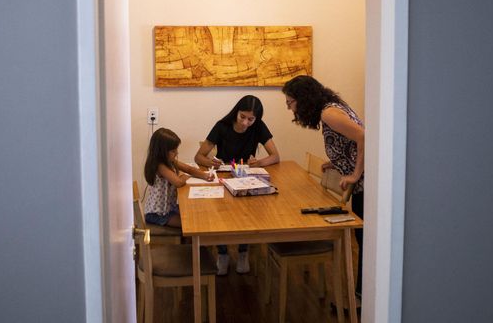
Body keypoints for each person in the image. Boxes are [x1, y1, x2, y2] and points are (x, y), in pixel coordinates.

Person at [282, 75, 365, 301]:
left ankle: (361, 297)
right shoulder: (329, 109)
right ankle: (360, 294)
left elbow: (364, 137)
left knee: (364, 240)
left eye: (290, 103)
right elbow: (347, 142)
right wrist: (337, 162)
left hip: (365, 181)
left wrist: (356, 174)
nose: (290, 109)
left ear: (303, 98)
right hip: (360, 180)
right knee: (362, 238)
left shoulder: (329, 113)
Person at [194, 95, 281, 275]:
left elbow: (275, 156)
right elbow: (198, 157)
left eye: (251, 119)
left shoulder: (258, 127)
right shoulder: (222, 126)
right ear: (236, 112)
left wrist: (259, 163)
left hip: (246, 176)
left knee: (248, 214)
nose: (246, 123)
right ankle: (223, 253)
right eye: (242, 117)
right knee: (221, 215)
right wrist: (212, 162)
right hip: (223, 176)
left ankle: (243, 252)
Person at [143, 128, 215, 228]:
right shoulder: (160, 166)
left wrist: (204, 175)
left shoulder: (170, 161)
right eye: (173, 151)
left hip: (169, 207)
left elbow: (189, 169)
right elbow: (178, 182)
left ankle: (194, 241)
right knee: (191, 223)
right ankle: (194, 242)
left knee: (195, 213)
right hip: (158, 213)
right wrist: (185, 176)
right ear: (161, 151)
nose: (177, 153)